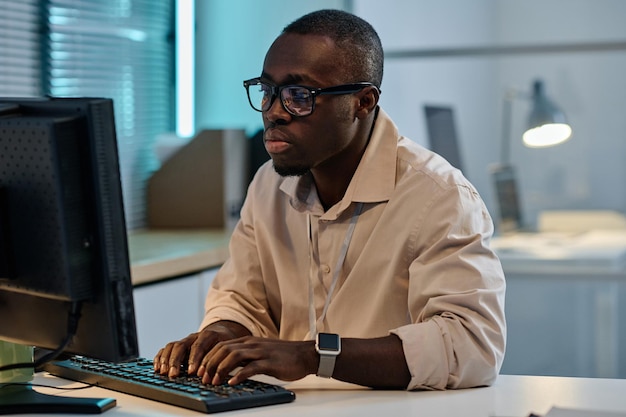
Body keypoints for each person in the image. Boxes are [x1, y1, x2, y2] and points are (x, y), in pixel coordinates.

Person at [154, 9, 506, 391]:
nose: (274, 112)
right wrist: (222, 333)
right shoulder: (267, 185)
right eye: (267, 90)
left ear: (363, 102)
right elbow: (242, 297)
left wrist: (313, 356)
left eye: (298, 96)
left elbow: (471, 346)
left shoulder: (439, 196)